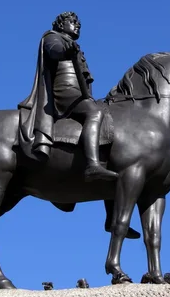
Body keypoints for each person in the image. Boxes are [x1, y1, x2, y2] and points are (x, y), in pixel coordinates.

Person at [18, 11, 118, 181]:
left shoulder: (73, 45)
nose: (77, 25)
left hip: (78, 94)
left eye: (78, 23)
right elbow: (54, 51)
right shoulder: (53, 37)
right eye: (72, 22)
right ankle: (92, 165)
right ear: (60, 24)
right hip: (65, 92)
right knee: (95, 113)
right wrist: (67, 49)